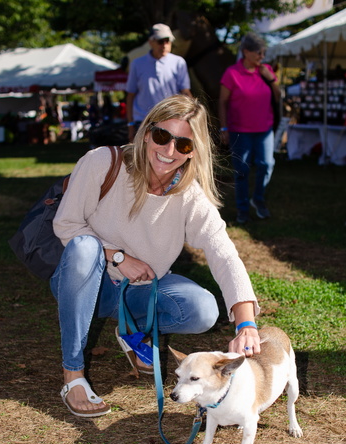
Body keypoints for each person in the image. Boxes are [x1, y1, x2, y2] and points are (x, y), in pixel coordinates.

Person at [51, 94, 261, 419]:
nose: (169, 151)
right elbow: (66, 225)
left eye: (184, 145)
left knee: (203, 309)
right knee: (84, 247)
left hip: (139, 292)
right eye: (162, 136)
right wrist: (119, 257)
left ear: (195, 151)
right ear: (146, 132)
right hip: (88, 282)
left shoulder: (190, 194)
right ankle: (73, 374)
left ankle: (133, 332)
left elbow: (223, 252)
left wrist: (246, 322)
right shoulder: (103, 162)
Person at [218, 32, 281, 224]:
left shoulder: (266, 71)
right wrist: (223, 128)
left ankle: (258, 199)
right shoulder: (232, 73)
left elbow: (277, 98)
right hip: (240, 130)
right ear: (246, 52)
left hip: (264, 129)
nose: (262, 57)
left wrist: (270, 79)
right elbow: (222, 101)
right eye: (258, 53)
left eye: (263, 53)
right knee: (242, 170)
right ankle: (242, 209)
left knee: (267, 164)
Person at [126, 23, 192, 142]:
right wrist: (130, 125)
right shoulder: (137, 64)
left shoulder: (179, 62)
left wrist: (192, 116)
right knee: (140, 159)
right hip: (142, 121)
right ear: (151, 42)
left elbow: (185, 92)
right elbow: (130, 96)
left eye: (168, 41)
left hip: (171, 119)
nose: (165, 45)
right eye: (160, 41)